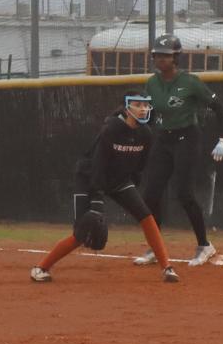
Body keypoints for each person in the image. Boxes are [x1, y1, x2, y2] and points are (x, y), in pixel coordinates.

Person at [30, 93, 180, 284]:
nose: (143, 109)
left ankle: (167, 268)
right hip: (89, 178)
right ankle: (41, 268)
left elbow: (140, 165)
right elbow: (98, 166)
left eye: (145, 105)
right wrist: (96, 200)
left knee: (146, 217)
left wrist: (132, 181)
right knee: (82, 232)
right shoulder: (111, 129)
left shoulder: (146, 134)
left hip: (119, 180)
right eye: (138, 105)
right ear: (126, 109)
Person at [133, 34, 223, 267]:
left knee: (184, 193)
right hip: (163, 139)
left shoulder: (190, 82)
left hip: (187, 138)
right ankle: (156, 247)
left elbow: (220, 108)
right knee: (150, 195)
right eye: (157, 55)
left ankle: (205, 245)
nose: (160, 59)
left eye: (166, 56)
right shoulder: (152, 83)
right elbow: (152, 114)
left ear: (176, 57)